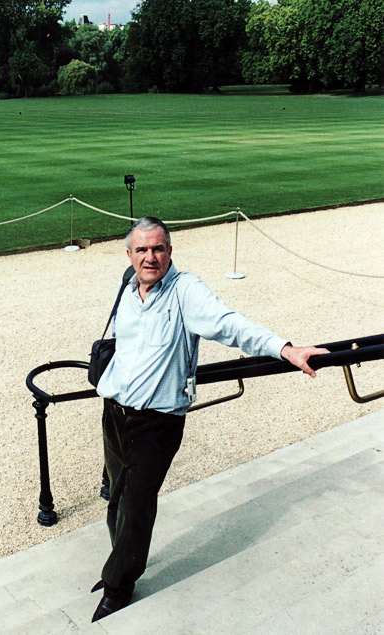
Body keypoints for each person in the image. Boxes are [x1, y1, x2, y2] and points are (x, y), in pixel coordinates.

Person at [91, 216, 328, 622]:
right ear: (128, 254)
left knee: (137, 502)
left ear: (170, 250)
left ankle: (119, 585)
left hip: (157, 422)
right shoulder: (125, 286)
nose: (151, 257)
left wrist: (284, 348)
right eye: (142, 250)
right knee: (116, 495)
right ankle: (119, 561)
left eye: (159, 248)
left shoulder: (185, 290)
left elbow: (229, 323)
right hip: (114, 413)